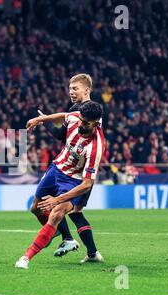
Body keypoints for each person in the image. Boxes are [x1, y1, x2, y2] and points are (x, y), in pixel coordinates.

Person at [15, 101, 105, 269]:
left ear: (96, 123)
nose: (81, 124)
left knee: (56, 213)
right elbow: (64, 115)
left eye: (86, 123)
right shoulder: (77, 117)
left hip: (74, 181)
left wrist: (58, 200)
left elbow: (86, 184)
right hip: (56, 169)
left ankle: (26, 257)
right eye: (81, 120)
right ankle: (67, 238)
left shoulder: (95, 147)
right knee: (36, 209)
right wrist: (40, 120)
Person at [43, 74, 102, 258]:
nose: (71, 91)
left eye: (75, 88)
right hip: (83, 170)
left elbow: (61, 135)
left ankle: (69, 240)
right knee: (75, 212)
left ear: (86, 90)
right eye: (70, 88)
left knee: (55, 203)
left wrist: (45, 122)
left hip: (75, 173)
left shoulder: (85, 112)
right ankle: (92, 253)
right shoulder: (94, 111)